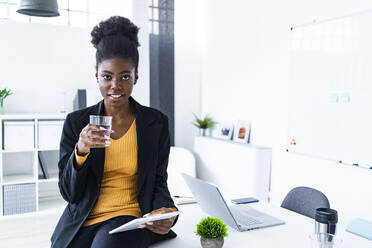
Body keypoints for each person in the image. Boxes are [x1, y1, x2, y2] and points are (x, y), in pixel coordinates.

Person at [51, 16, 178, 248]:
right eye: (107, 77)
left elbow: (159, 180)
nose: (115, 86)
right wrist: (81, 151)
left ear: (136, 76)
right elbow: (69, 194)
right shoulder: (75, 122)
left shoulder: (156, 123)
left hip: (128, 220)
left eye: (125, 77)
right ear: (97, 76)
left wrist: (167, 212)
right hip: (83, 220)